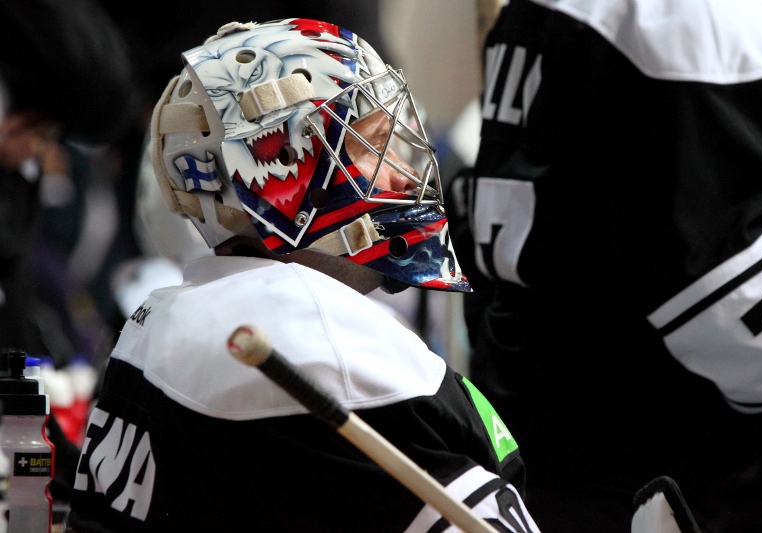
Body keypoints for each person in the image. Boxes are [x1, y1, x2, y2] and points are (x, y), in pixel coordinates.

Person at [66, 19, 541, 532]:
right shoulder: (320, 339)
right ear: (281, 175)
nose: (402, 176)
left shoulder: (154, 325)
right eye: (372, 145)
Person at [447, 0, 762, 531]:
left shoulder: (538, 14)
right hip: (655, 481)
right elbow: (754, 337)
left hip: (547, 443)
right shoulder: (679, 21)